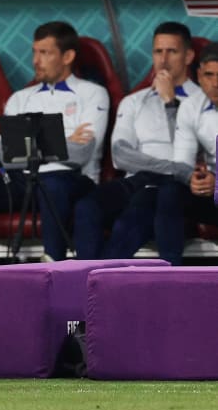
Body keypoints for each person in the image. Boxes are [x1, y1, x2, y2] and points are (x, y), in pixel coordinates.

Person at [0, 21, 109, 261]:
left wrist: (30, 145)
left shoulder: (92, 93)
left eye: (45, 53)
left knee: (52, 183)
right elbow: (5, 154)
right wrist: (66, 140)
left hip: (72, 180)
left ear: (67, 56)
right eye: (34, 52)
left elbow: (84, 152)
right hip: (22, 181)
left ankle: (52, 266)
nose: (36, 60)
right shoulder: (20, 98)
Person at [73, 22, 197, 264]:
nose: (163, 59)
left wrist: (170, 99)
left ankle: (94, 285)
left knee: (131, 221)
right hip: (139, 179)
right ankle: (85, 278)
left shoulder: (201, 100)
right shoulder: (134, 101)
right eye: (158, 51)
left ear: (188, 56)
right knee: (86, 207)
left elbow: (190, 153)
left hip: (177, 185)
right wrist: (170, 165)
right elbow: (121, 155)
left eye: (172, 51)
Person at [169, 44, 218, 245]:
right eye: (209, 75)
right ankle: (169, 272)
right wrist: (194, 178)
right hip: (211, 193)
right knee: (168, 193)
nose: (216, 83)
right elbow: (182, 162)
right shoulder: (191, 106)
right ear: (199, 75)